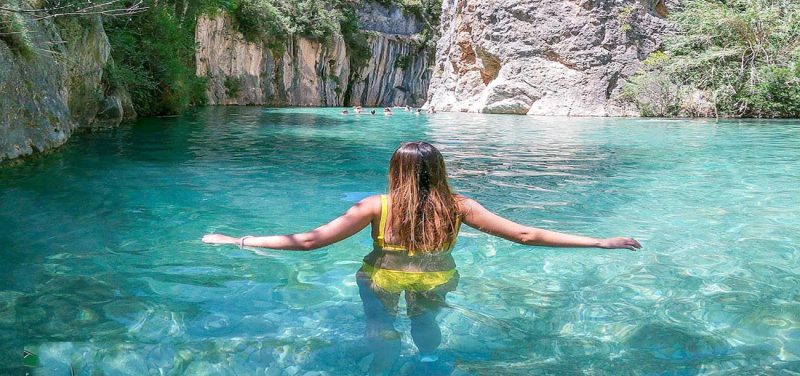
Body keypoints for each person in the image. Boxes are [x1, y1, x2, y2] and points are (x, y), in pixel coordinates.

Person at [202, 142, 640, 374]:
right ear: (441, 170)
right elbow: (525, 234)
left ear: (396, 171)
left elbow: (310, 241)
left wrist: (238, 240)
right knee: (425, 324)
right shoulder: (459, 206)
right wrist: (599, 241)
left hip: (381, 277)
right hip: (436, 279)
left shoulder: (375, 205)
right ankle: (429, 364)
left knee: (380, 326)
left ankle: (382, 368)